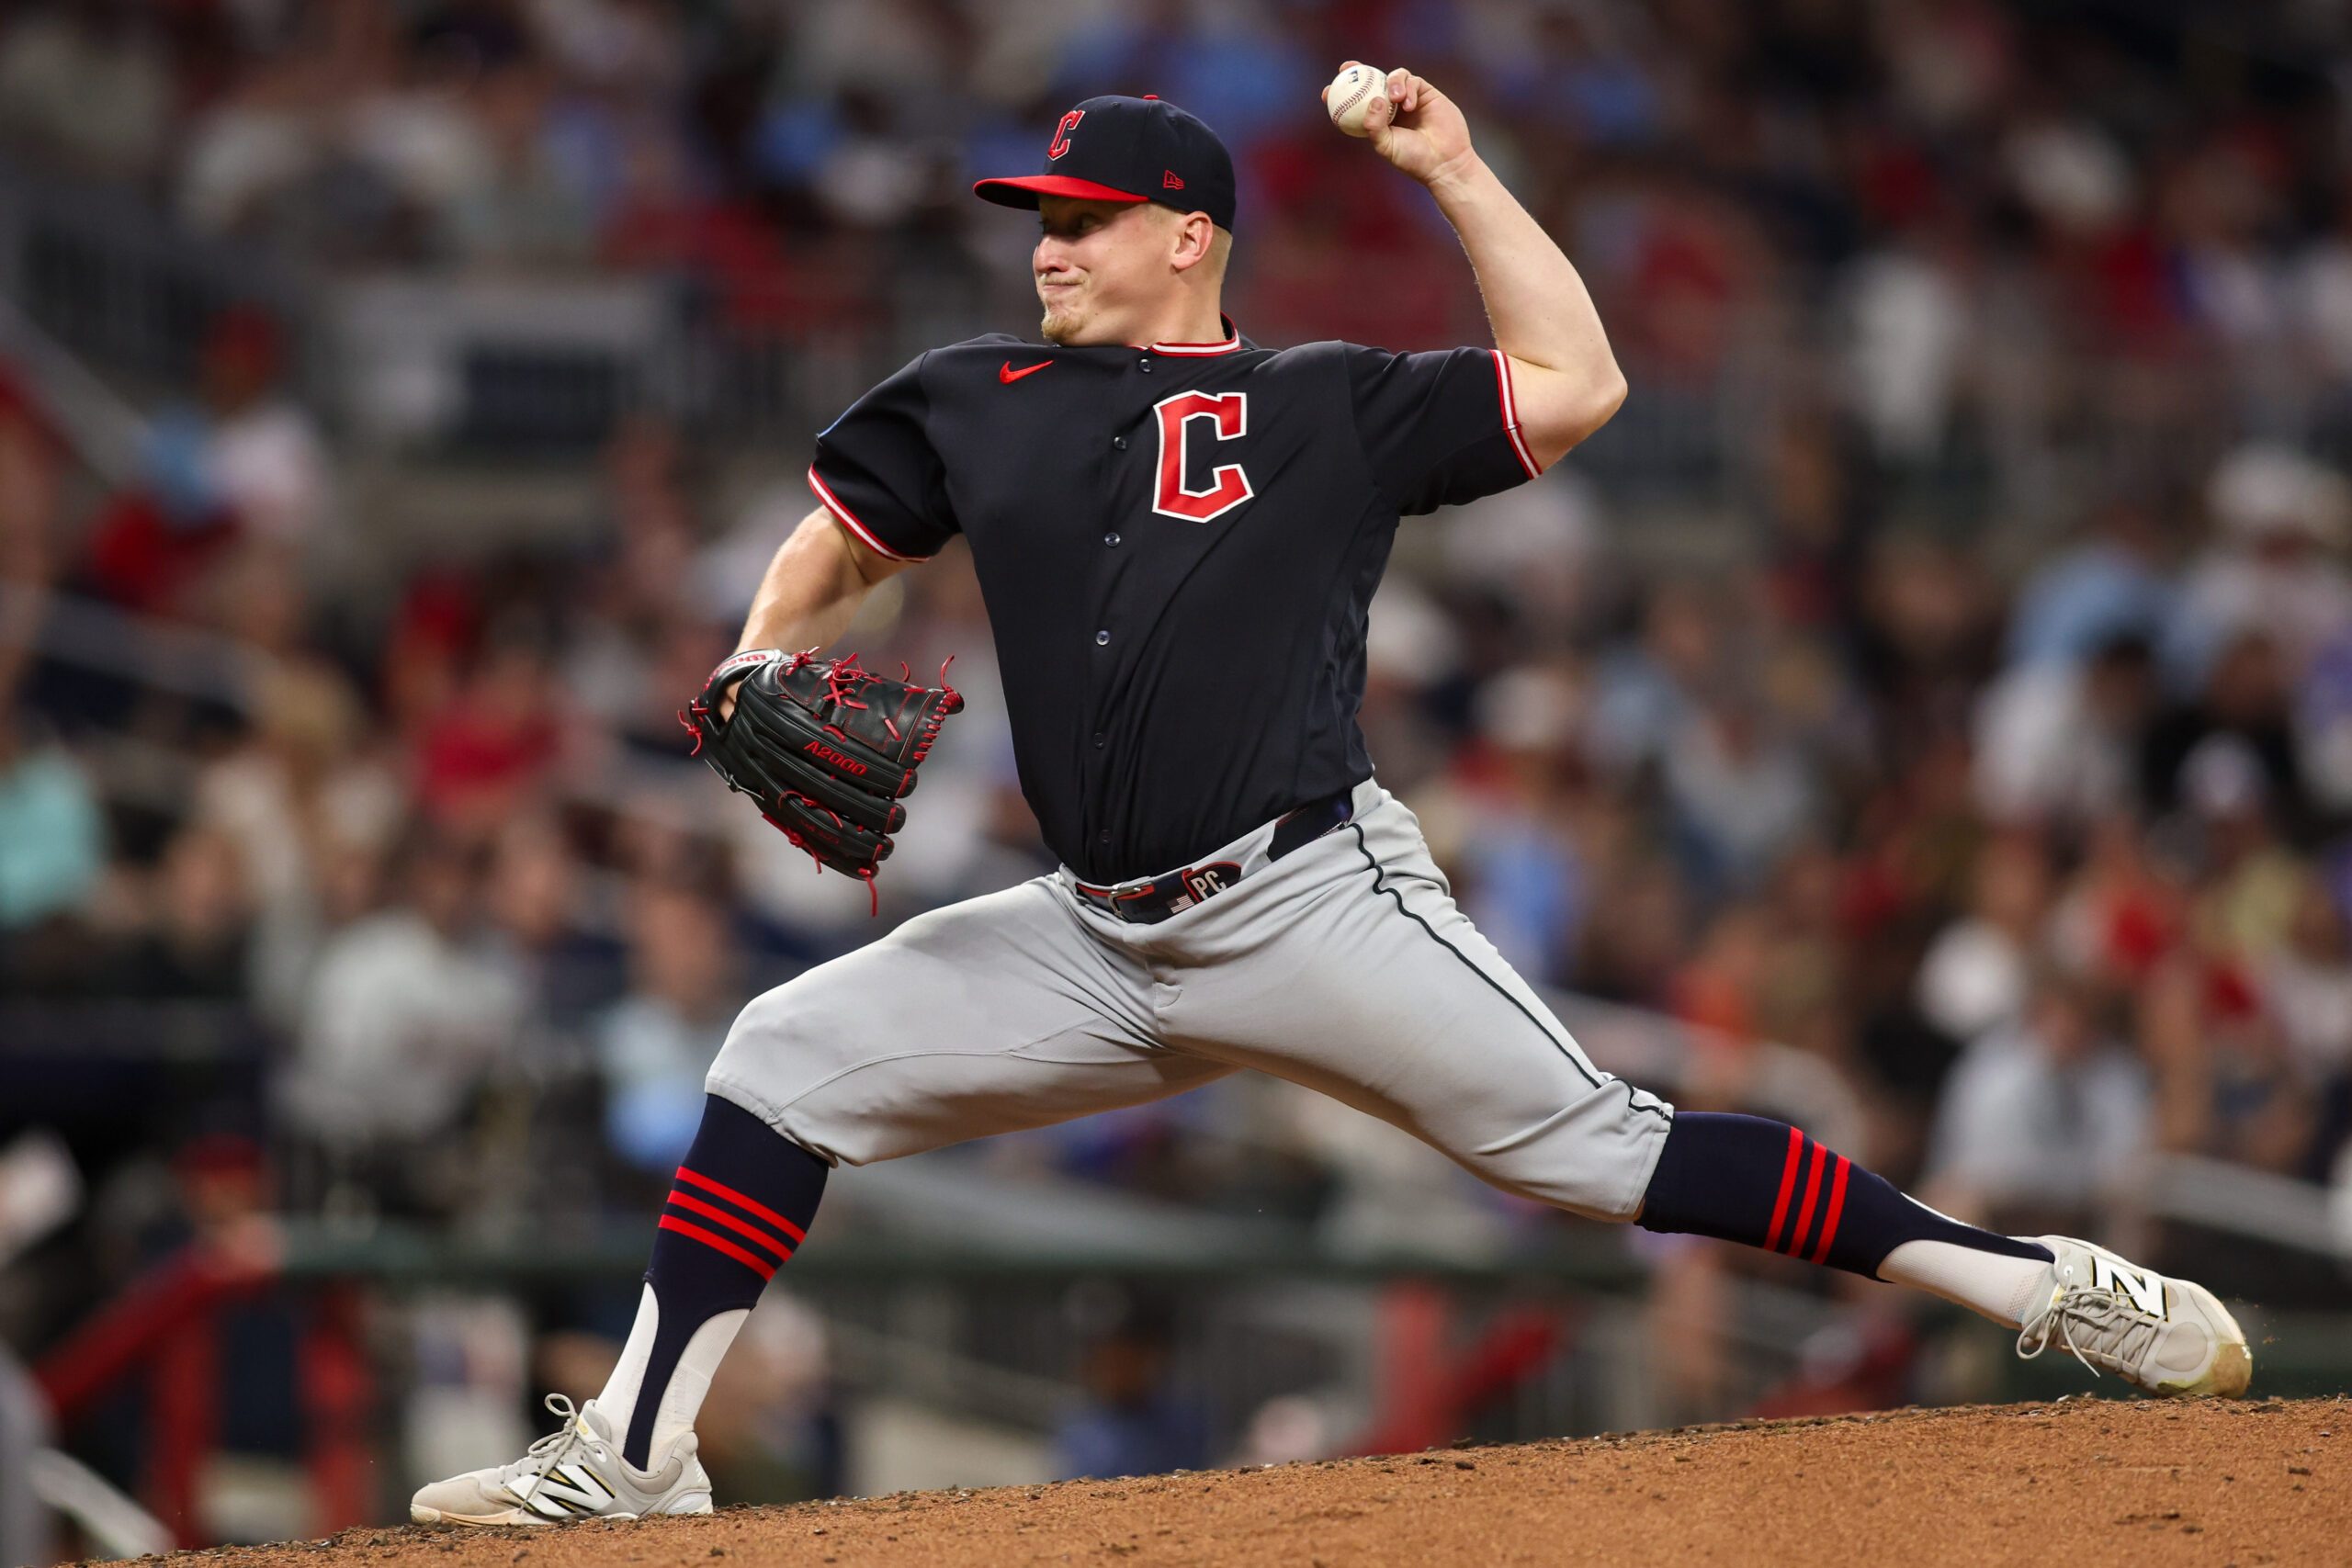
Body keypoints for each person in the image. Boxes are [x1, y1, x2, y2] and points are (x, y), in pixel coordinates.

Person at [412, 68, 2250, 1528]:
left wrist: (1452, 166)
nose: (1047, 246)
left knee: (1609, 1154)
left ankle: (2031, 1283)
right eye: (1039, 218)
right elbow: (840, 542)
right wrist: (755, 650)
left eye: (1083, 218)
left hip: (1306, 901)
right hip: (1091, 936)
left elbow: (1577, 382)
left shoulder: (1325, 403)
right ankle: (637, 1452)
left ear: (1188, 235)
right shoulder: (974, 395)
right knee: (778, 1058)